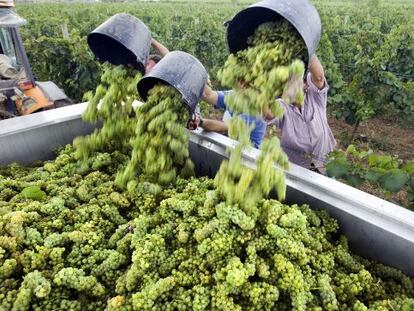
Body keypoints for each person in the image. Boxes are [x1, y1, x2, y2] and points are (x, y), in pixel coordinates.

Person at [264, 54, 337, 173]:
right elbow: (268, 114)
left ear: (305, 84)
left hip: (325, 165)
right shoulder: (282, 105)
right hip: (298, 171)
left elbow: (318, 77)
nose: (288, 86)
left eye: (292, 81)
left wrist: (307, 48)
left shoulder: (315, 97)